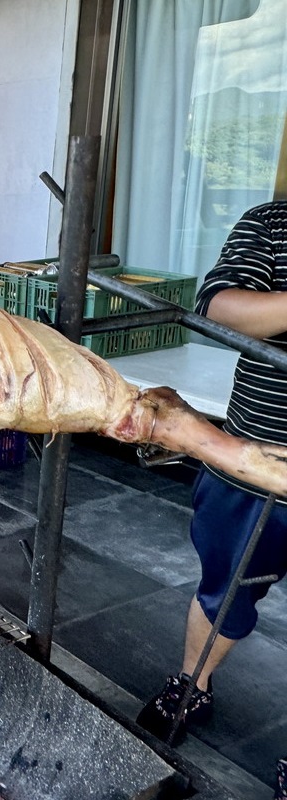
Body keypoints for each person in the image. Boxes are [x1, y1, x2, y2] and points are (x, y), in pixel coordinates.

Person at [135, 200, 287, 791]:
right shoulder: (273, 224)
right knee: (224, 587)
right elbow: (217, 308)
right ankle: (192, 685)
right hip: (249, 463)